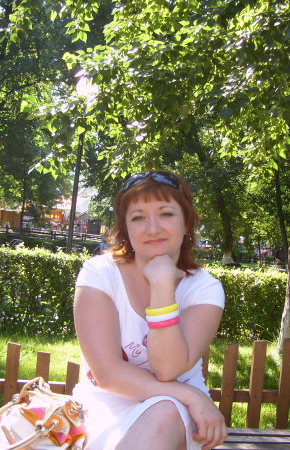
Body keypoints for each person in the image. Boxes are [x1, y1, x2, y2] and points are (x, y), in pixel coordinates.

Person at [72, 170, 227, 450]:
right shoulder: (100, 274)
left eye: (166, 214)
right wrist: (190, 394)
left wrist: (162, 284)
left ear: (186, 222)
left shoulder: (204, 289)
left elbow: (167, 369)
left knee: (164, 410)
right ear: (126, 227)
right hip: (102, 407)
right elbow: (107, 374)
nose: (152, 228)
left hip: (176, 414)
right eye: (138, 217)